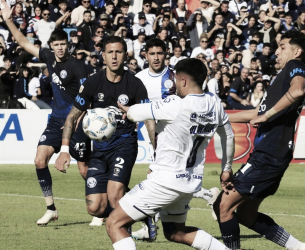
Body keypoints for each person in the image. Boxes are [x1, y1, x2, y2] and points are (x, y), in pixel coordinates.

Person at [106, 58, 235, 250]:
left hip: (164, 182)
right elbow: (229, 136)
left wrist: (127, 110)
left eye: (176, 79)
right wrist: (226, 169)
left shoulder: (176, 104)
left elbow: (134, 114)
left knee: (114, 223)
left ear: (182, 80)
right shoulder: (214, 103)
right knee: (176, 232)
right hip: (189, 182)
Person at [213, 30, 305, 250]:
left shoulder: (294, 66)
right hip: (271, 153)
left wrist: (267, 115)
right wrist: (216, 116)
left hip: (270, 153)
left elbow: (298, 90)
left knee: (223, 205)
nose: (277, 51)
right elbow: (254, 113)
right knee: (246, 214)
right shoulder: (281, 79)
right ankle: (300, 247)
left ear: (296, 51)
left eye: (282, 47)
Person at [2, 0, 91, 226]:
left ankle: (100, 209)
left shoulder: (78, 67)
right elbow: (22, 41)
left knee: (84, 170)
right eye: (56, 44)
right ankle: (51, 208)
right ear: (51, 46)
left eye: (63, 44)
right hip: (55, 121)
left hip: (78, 121)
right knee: (40, 161)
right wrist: (8, 21)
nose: (60, 48)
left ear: (68, 46)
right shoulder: (49, 57)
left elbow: (85, 100)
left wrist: (76, 120)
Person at [54, 36, 156, 228]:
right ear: (103, 56)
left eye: (118, 52)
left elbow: (149, 118)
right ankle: (143, 212)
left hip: (125, 144)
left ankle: (124, 225)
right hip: (99, 149)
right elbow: (72, 117)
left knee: (115, 194)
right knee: (95, 208)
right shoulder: (93, 83)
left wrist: (156, 149)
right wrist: (64, 149)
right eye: (110, 52)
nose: (114, 56)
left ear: (125, 55)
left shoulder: (135, 84)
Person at [133, 38, 221, 240]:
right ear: (145, 55)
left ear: (166, 54)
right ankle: (209, 195)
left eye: (160, 53)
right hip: (154, 132)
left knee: (164, 178)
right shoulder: (139, 78)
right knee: (164, 179)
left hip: (176, 136)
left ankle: (149, 227)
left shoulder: (177, 77)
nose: (156, 58)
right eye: (152, 53)